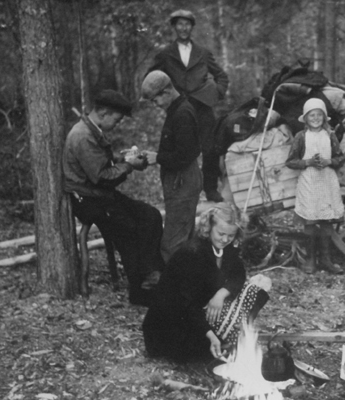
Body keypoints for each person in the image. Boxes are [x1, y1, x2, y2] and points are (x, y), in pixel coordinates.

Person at [63, 90, 164, 306]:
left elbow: (102, 161)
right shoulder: (82, 136)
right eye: (117, 120)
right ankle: (139, 293)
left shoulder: (93, 130)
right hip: (87, 200)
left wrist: (123, 156)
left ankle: (149, 274)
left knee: (151, 215)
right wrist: (129, 166)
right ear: (103, 112)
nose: (118, 124)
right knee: (128, 229)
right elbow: (102, 177)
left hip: (101, 194)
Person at [142, 203, 270, 363]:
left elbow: (238, 274)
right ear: (209, 227)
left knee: (255, 292)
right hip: (173, 322)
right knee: (207, 352)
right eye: (221, 233)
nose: (225, 239)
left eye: (230, 235)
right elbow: (186, 304)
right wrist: (209, 334)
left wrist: (221, 294)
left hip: (202, 305)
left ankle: (224, 333)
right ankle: (216, 337)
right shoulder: (192, 253)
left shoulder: (230, 246)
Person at [149, 9, 230, 203]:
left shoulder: (202, 52)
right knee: (178, 150)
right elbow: (150, 77)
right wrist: (161, 98)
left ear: (192, 27)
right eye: (179, 24)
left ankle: (210, 189)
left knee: (210, 148)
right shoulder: (166, 54)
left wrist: (216, 92)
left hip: (202, 106)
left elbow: (221, 76)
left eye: (187, 24)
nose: (183, 28)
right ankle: (180, 189)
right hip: (178, 109)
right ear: (174, 27)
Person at [141, 70, 203, 264]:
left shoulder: (182, 113)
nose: (155, 105)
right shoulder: (177, 110)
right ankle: (189, 283)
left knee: (173, 242)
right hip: (180, 182)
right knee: (185, 237)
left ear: (166, 92)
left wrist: (157, 158)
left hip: (182, 182)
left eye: (154, 100)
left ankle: (174, 288)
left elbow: (185, 155)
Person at [286, 98, 345, 275]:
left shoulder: (330, 135)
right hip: (309, 181)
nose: (316, 118)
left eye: (319, 115)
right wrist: (308, 162)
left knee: (326, 220)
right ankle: (311, 259)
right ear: (305, 118)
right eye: (312, 115)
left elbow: (340, 158)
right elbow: (290, 161)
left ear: (324, 117)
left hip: (327, 180)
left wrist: (329, 161)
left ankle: (326, 259)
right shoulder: (301, 137)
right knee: (310, 222)